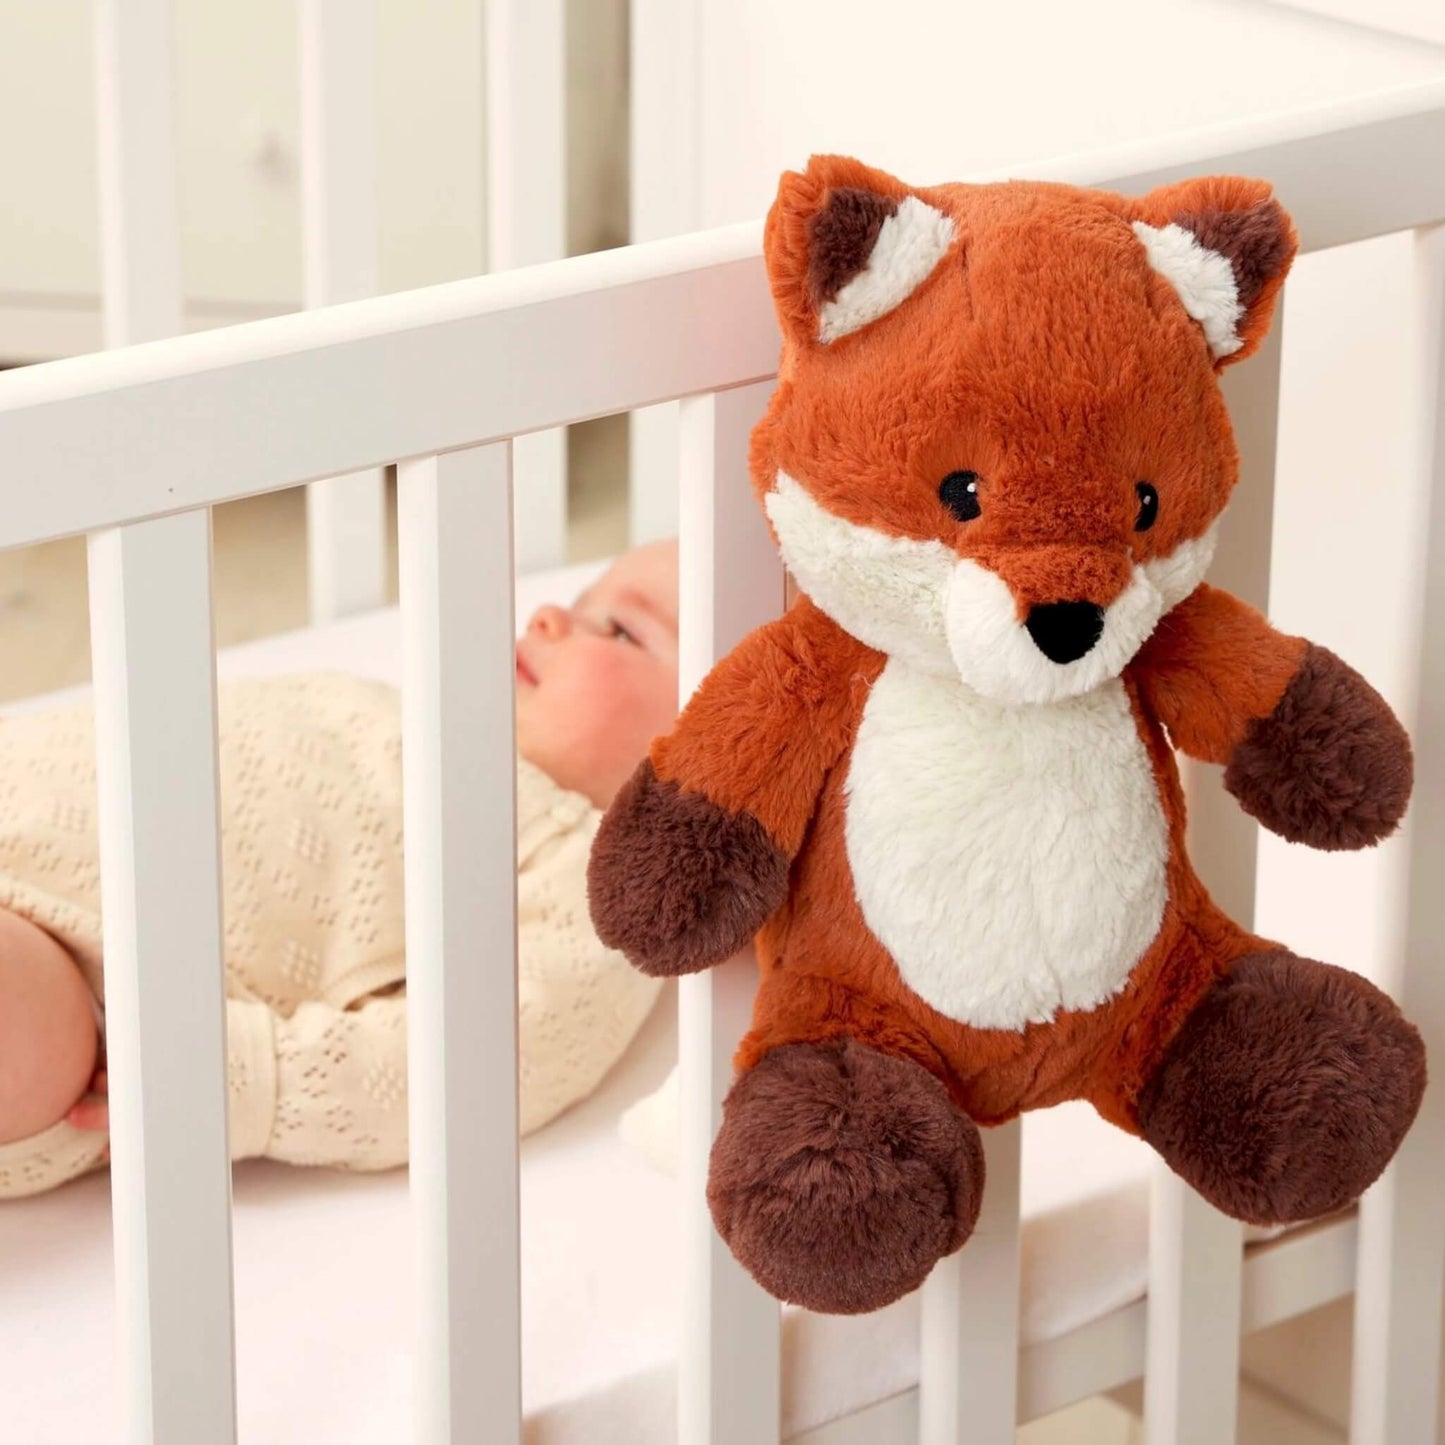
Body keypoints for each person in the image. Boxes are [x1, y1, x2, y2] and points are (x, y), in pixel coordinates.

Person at [0, 540, 678, 1197]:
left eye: (618, 629)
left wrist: (253, 1079)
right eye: (577, 599)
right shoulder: (408, 709)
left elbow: (490, 1055)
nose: (547, 617)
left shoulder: (595, 877)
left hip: (83, 985)